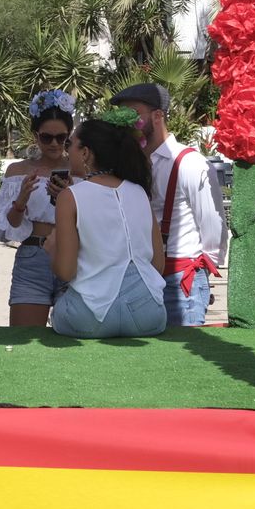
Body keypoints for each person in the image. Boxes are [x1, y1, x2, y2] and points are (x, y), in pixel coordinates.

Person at [110, 82, 225, 326]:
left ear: (158, 116)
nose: (125, 123)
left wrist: (199, 275)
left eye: (132, 114)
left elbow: (213, 228)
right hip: (137, 280)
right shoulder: (124, 165)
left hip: (180, 284)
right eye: (120, 116)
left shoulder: (190, 163)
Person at [47, 111, 167, 339]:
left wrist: (53, 249)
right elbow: (157, 266)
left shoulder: (70, 196)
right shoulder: (139, 192)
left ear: (85, 153)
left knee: (62, 308)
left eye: (69, 144)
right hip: (150, 315)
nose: (66, 150)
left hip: (89, 316)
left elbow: (65, 271)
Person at [0, 90, 75, 326]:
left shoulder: (81, 173)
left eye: (62, 138)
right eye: (47, 137)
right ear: (36, 136)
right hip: (32, 255)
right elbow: (6, 229)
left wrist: (70, 197)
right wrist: (21, 200)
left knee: (71, 342)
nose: (55, 144)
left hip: (72, 255)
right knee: (24, 339)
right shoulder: (18, 172)